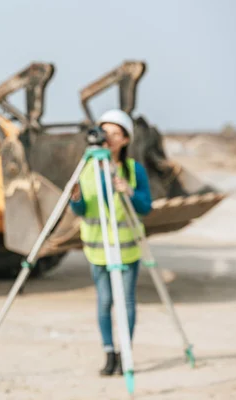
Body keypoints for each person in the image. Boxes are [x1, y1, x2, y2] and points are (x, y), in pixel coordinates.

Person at [69, 109, 152, 376]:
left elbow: (145, 206)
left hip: (127, 248)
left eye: (117, 133)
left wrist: (128, 190)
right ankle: (109, 353)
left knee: (126, 301)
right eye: (106, 132)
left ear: (126, 139)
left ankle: (125, 353)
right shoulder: (86, 169)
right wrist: (75, 198)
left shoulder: (133, 169)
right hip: (97, 248)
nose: (110, 138)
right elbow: (82, 211)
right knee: (104, 301)